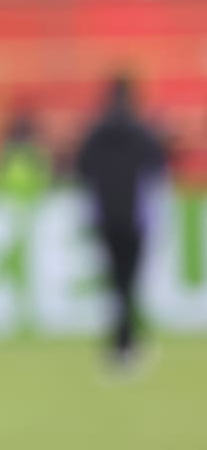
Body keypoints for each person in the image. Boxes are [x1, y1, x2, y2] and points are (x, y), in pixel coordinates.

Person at [73, 73, 170, 370]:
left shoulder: (94, 134)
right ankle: (126, 344)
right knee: (129, 282)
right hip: (134, 219)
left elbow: (81, 169)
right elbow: (158, 165)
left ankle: (120, 342)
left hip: (105, 217)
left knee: (116, 282)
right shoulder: (142, 132)